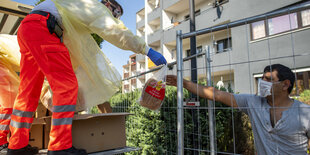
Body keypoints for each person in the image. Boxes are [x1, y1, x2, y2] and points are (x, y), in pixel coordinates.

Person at [7, 0, 167, 155]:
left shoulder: (75, 9)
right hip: (46, 28)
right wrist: (146, 50)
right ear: (108, 4)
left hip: (28, 27)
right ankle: (59, 147)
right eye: (116, 13)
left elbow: (71, 51)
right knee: (66, 87)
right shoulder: (96, 7)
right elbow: (116, 31)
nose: (116, 17)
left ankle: (17, 145)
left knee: (28, 91)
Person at [166, 64, 310, 155]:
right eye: (262, 78)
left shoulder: (305, 113)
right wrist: (184, 83)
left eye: (268, 79)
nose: (262, 83)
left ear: (285, 85)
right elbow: (216, 94)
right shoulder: (253, 102)